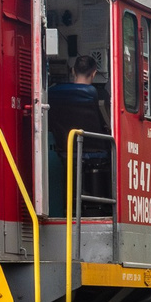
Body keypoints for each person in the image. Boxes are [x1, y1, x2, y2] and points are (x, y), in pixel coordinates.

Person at [47, 53, 110, 215]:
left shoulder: (54, 93)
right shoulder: (99, 95)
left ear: (73, 71)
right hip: (97, 150)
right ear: (94, 73)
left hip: (65, 149)